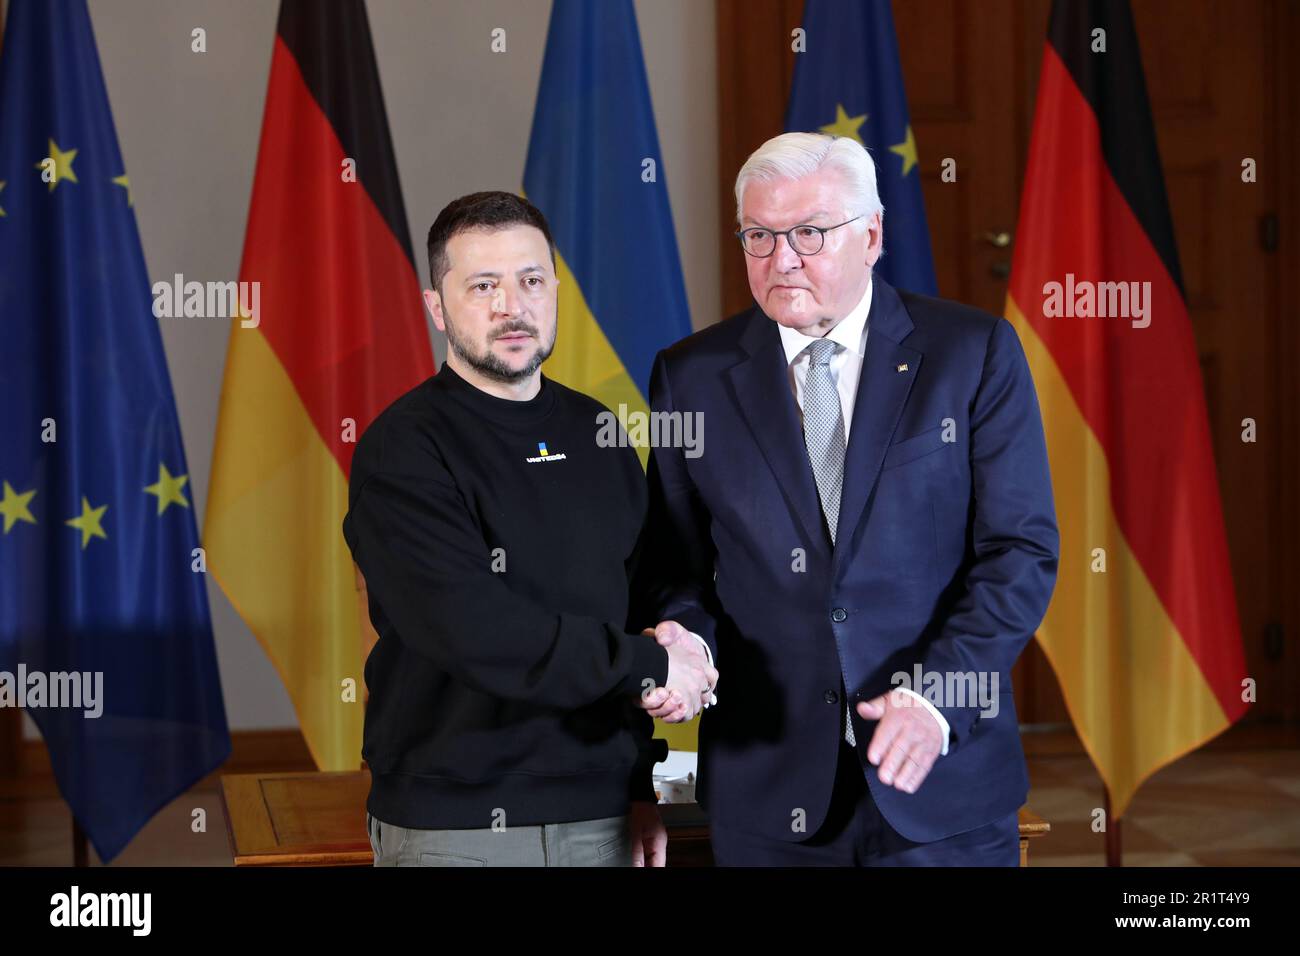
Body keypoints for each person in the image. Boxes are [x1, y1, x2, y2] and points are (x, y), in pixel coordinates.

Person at [640, 132, 1059, 865]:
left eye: (808, 233)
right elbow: (674, 563)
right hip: (768, 785)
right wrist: (689, 640)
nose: (783, 259)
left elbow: (1019, 554)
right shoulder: (691, 376)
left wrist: (937, 697)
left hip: (940, 778)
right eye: (760, 236)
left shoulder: (972, 354)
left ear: (872, 235)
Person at [344, 191, 716, 867]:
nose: (511, 307)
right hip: (459, 828)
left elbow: (631, 604)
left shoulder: (598, 431)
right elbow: (477, 631)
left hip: (602, 815)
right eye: (483, 285)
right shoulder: (403, 450)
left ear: (553, 292)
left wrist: (638, 784)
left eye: (530, 281)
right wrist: (652, 665)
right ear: (437, 307)